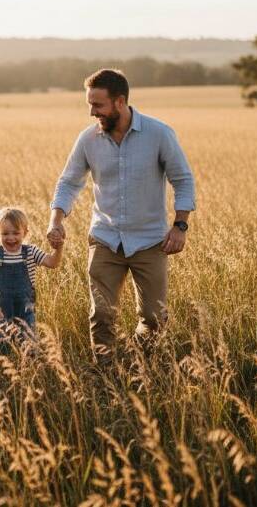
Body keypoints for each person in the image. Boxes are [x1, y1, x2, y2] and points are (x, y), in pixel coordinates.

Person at [47, 69, 196, 359]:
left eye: (98, 105)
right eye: (89, 104)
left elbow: (183, 180)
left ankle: (142, 363)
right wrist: (56, 220)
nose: (92, 112)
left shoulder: (159, 134)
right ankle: (105, 374)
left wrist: (180, 226)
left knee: (154, 318)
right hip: (105, 238)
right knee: (101, 314)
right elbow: (68, 182)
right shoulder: (88, 139)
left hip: (150, 241)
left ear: (120, 102)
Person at [0, 207, 63, 353]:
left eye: (16, 233)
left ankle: (29, 364)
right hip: (1, 303)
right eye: (5, 233)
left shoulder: (30, 251)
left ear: (25, 233)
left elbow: (52, 263)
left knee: (28, 334)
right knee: (1, 336)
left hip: (25, 304)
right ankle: (4, 365)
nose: (11, 238)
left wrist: (58, 249)